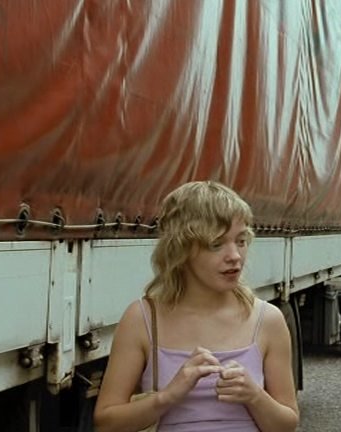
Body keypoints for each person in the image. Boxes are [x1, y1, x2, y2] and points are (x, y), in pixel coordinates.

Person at [94, 181, 299, 432]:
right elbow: (106, 423)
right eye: (216, 244)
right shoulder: (143, 319)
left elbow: (287, 425)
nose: (235, 256)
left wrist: (255, 396)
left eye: (241, 241)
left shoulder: (268, 319)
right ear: (181, 249)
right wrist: (168, 396)